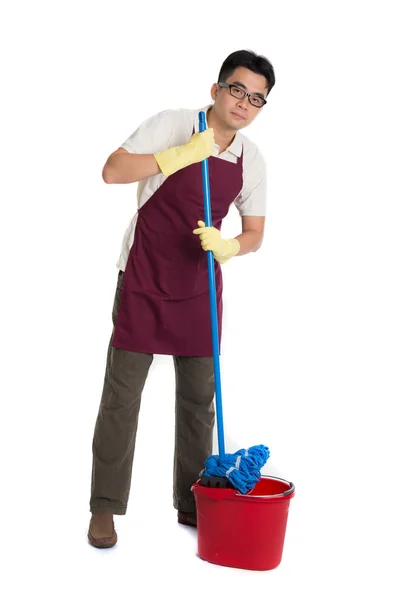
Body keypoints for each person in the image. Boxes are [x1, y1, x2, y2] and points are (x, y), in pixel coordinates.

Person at [88, 49, 275, 548]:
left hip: (198, 287)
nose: (244, 103)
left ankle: (195, 501)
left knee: (198, 404)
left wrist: (232, 245)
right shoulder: (174, 125)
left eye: (256, 98)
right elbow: (112, 170)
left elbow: (255, 229)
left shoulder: (250, 159)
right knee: (121, 398)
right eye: (237, 90)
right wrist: (176, 157)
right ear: (216, 90)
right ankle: (105, 507)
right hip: (144, 276)